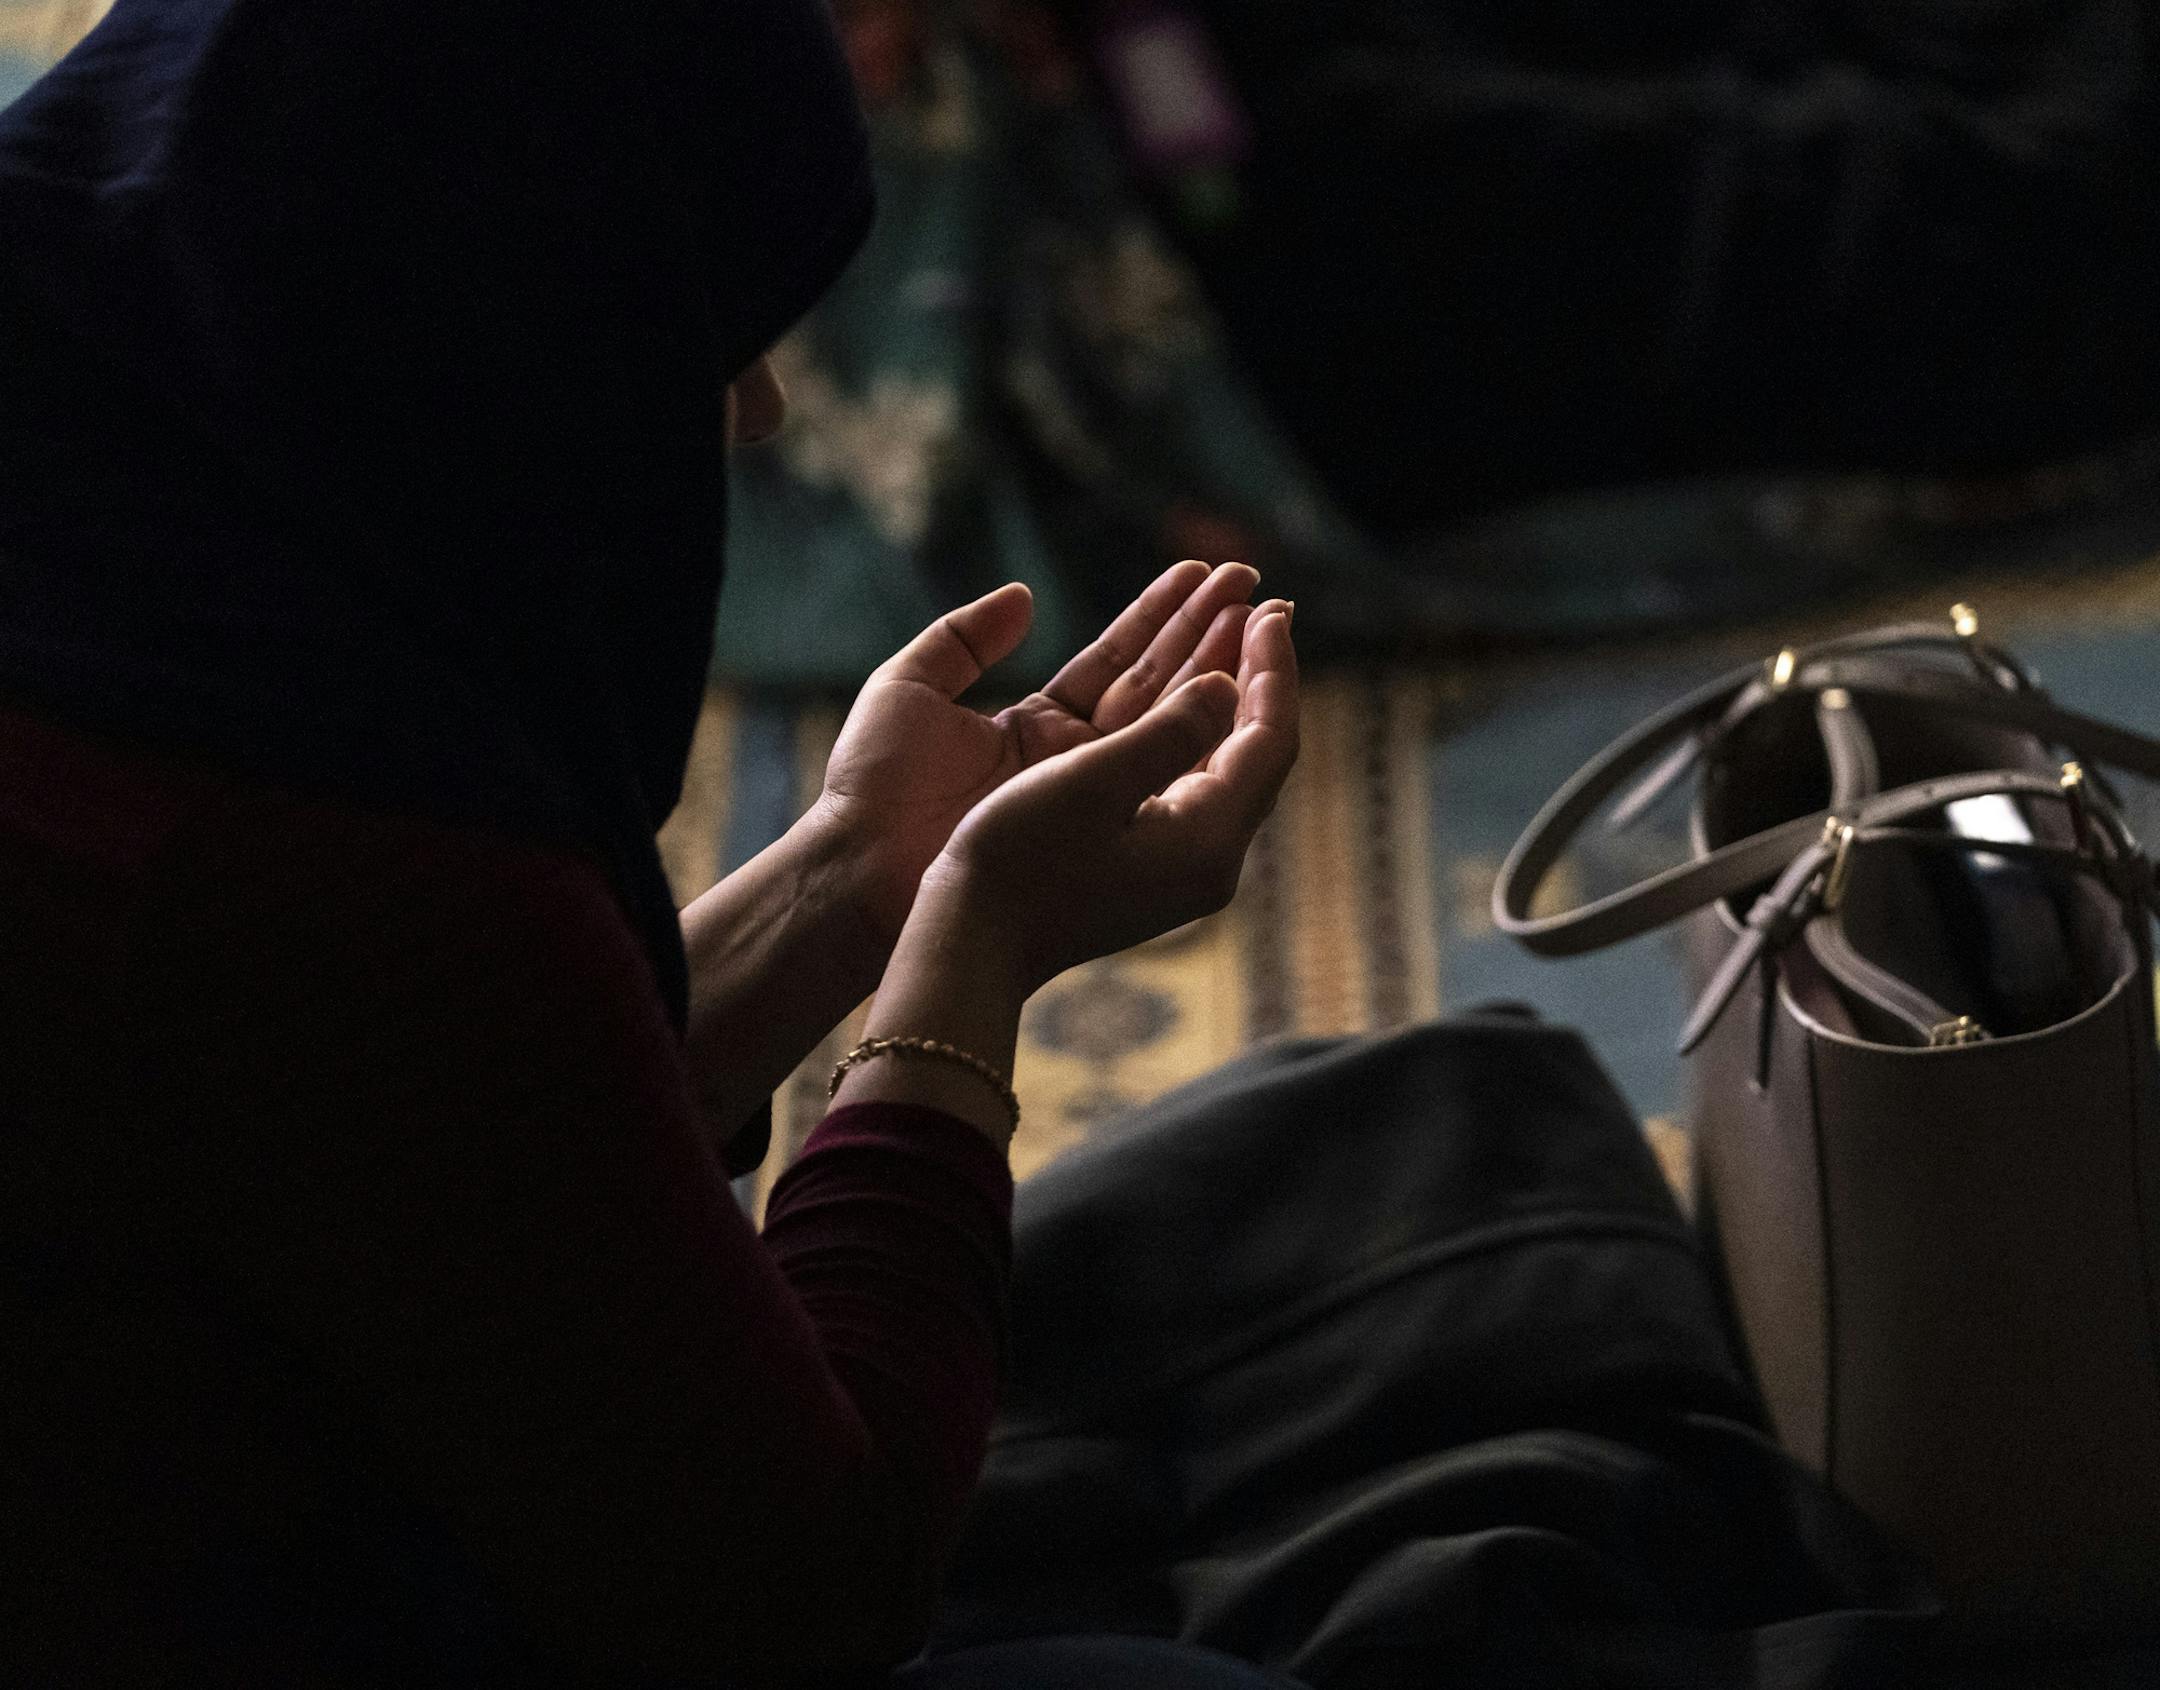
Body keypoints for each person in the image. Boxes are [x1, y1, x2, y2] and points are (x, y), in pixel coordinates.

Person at [0, 1, 1299, 1684]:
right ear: (497, 329)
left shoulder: (138, 633)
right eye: (697, 329)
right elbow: (798, 1603)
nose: (752, 410)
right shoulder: (318, 862)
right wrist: (966, 959)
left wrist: (847, 874)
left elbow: (437, 1160)